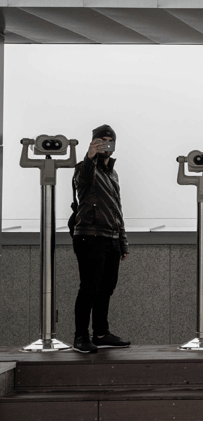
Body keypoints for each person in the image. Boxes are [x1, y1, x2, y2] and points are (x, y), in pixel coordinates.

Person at [71, 124, 131, 353]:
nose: (106, 145)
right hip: (90, 236)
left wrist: (122, 241)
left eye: (109, 141)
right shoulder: (84, 168)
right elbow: (83, 179)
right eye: (101, 141)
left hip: (111, 238)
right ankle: (80, 337)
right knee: (89, 287)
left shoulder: (113, 173)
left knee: (106, 288)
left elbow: (117, 208)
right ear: (94, 143)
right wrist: (89, 156)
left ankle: (101, 333)